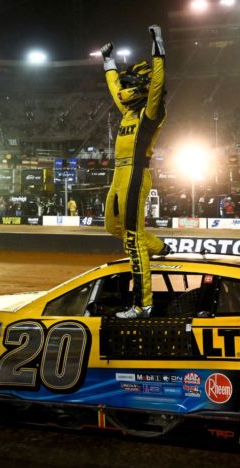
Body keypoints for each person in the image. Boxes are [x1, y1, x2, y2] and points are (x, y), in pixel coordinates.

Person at [101, 25, 171, 319]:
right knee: (111, 227)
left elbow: (157, 83)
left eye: (131, 83)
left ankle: (143, 304)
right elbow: (114, 88)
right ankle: (161, 248)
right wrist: (108, 63)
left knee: (131, 238)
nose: (124, 88)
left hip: (134, 176)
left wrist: (158, 46)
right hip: (119, 175)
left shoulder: (150, 113)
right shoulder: (128, 111)